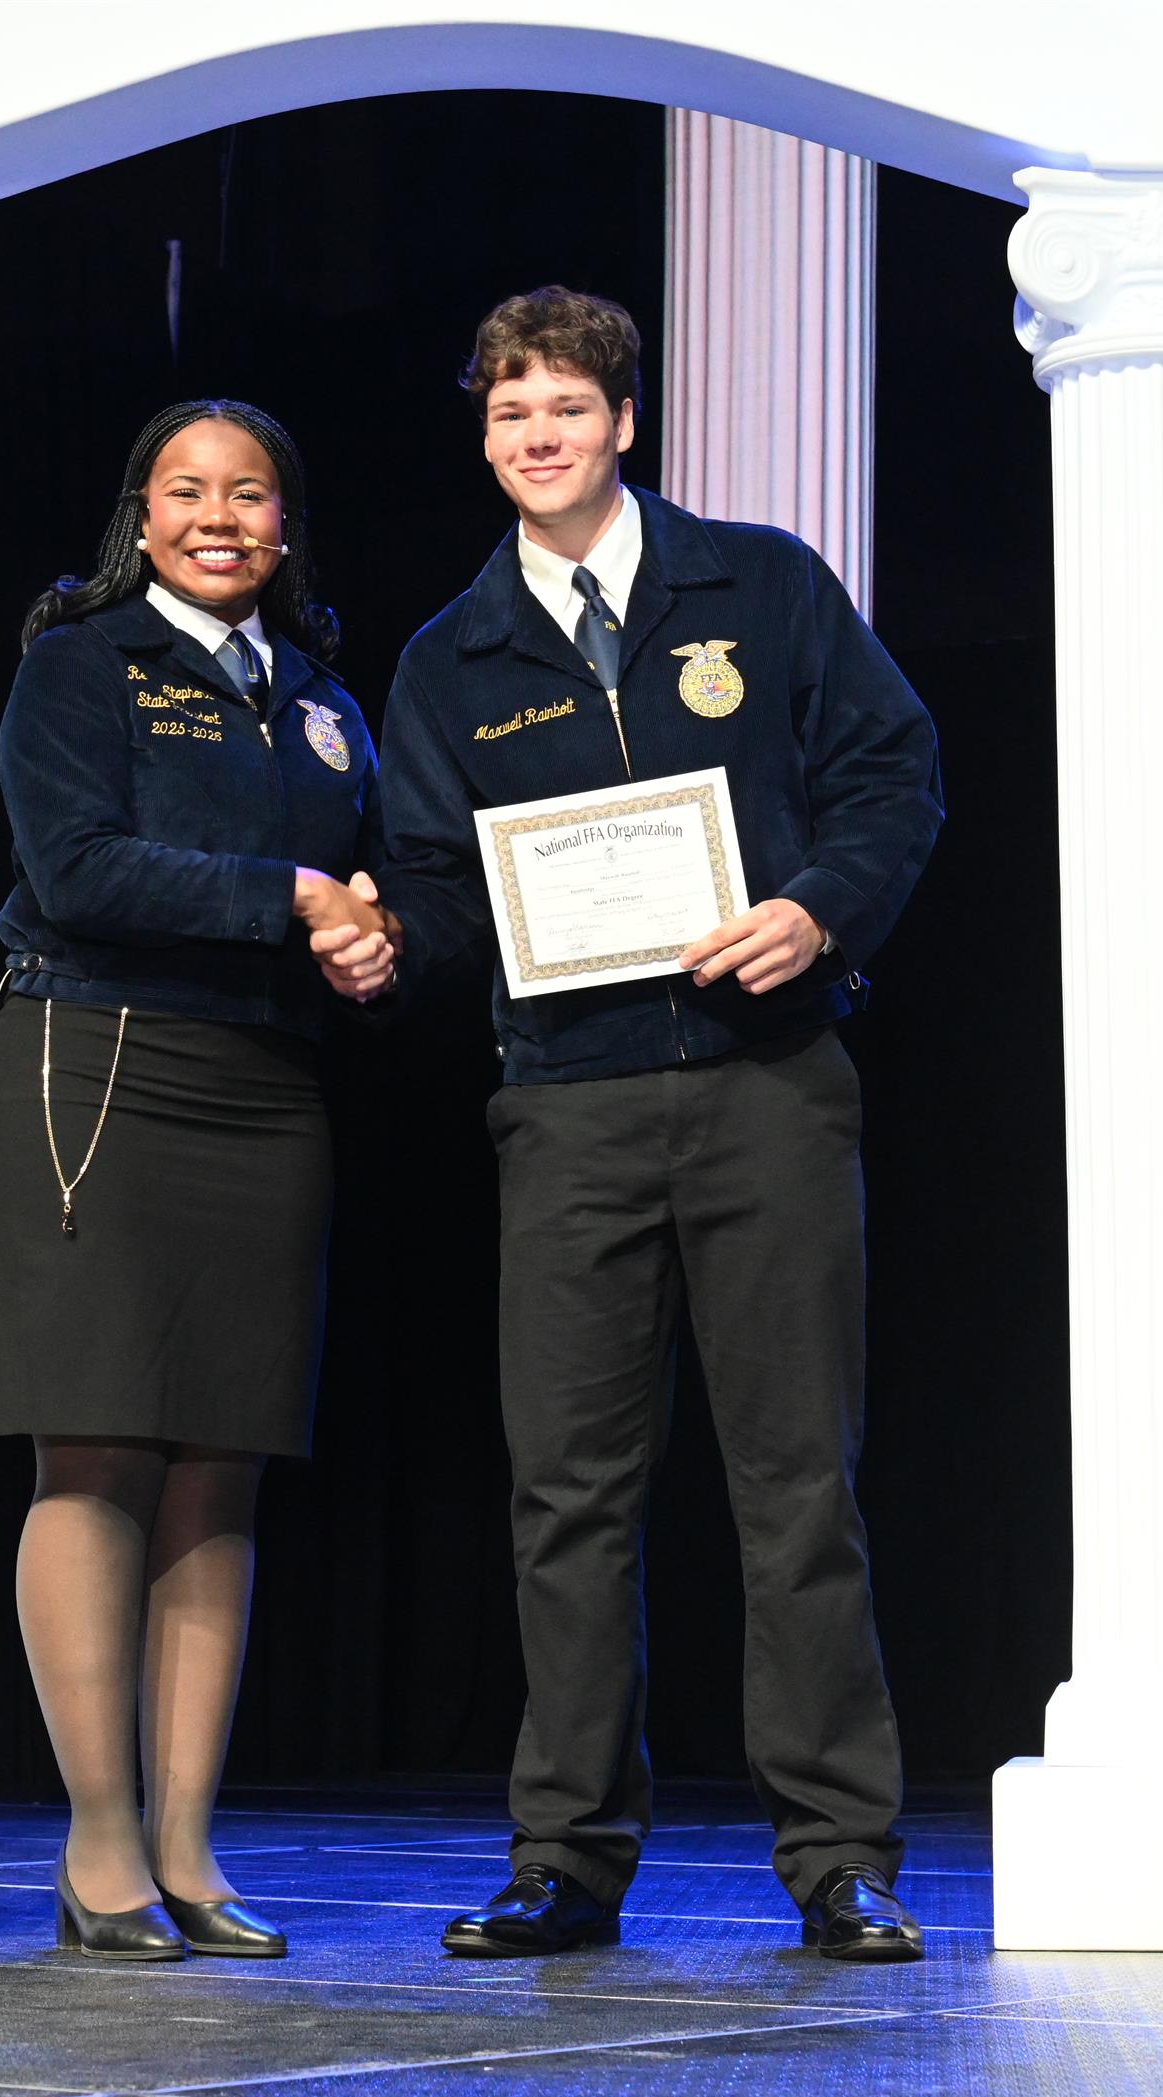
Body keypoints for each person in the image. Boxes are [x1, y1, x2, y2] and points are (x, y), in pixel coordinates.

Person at [321, 287, 943, 1963]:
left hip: (769, 1088)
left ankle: (842, 1859)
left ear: (626, 422)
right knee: (569, 1499)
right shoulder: (450, 659)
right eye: (511, 411)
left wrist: (819, 908)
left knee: (796, 1487)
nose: (540, 435)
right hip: (568, 1109)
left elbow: (894, 773)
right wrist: (387, 946)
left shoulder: (763, 585)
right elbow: (442, 890)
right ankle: (567, 1859)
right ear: (484, 438)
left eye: (568, 407)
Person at [0, 399, 392, 1959]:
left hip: (265, 1092)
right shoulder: (81, 665)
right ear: (140, 517)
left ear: (286, 523)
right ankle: (100, 1848)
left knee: (223, 1464)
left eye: (251, 493)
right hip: (95, 1071)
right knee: (95, 1451)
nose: (221, 517)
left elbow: (380, 878)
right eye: (188, 490)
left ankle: (192, 1850)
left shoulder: (326, 702)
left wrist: (379, 938)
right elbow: (76, 869)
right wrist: (298, 898)